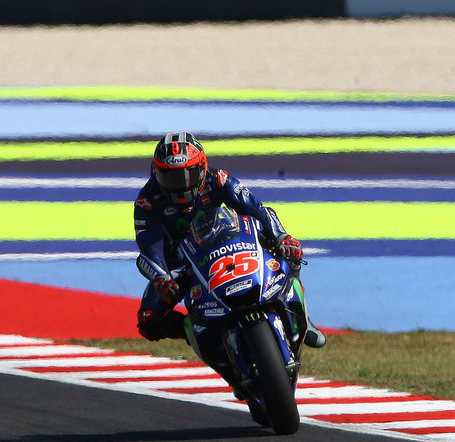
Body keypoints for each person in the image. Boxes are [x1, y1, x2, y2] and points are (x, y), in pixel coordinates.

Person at [134, 131, 326, 349]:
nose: (181, 186)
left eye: (188, 175)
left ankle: (302, 317)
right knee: (148, 319)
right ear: (156, 172)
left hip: (224, 241)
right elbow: (149, 249)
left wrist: (281, 236)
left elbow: (257, 210)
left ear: (202, 167)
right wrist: (162, 278)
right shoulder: (147, 200)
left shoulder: (217, 179)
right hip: (181, 262)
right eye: (172, 177)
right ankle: (199, 334)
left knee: (289, 250)